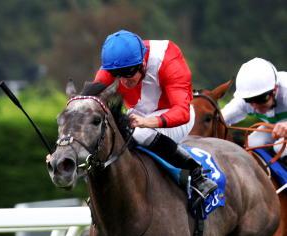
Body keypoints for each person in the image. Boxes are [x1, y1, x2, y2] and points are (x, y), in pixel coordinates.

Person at [93, 30, 217, 199]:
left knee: (140, 133)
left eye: (128, 73)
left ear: (142, 63)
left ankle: (197, 174)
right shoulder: (116, 63)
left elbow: (182, 112)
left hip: (177, 118)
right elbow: (87, 100)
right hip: (139, 117)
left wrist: (147, 122)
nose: (123, 80)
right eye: (117, 75)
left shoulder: (168, 59)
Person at [221, 58, 287, 163]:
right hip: (272, 128)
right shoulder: (243, 100)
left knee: (280, 148)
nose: (255, 106)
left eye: (260, 99)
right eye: (249, 100)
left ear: (275, 89)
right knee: (252, 144)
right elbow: (219, 118)